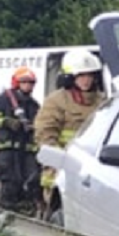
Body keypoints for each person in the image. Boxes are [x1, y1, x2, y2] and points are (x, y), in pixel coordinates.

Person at [35, 49, 106, 204]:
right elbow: (45, 132)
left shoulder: (103, 102)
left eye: (89, 75)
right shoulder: (56, 101)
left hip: (95, 168)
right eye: (80, 75)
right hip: (62, 165)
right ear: (70, 77)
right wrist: (57, 159)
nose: (86, 80)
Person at [0, 68, 41, 213]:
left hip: (26, 149)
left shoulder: (33, 104)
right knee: (10, 180)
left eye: (31, 83)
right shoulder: (1, 100)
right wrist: (8, 122)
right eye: (25, 82)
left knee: (32, 179)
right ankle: (5, 209)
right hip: (6, 148)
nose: (28, 85)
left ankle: (27, 207)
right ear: (17, 83)